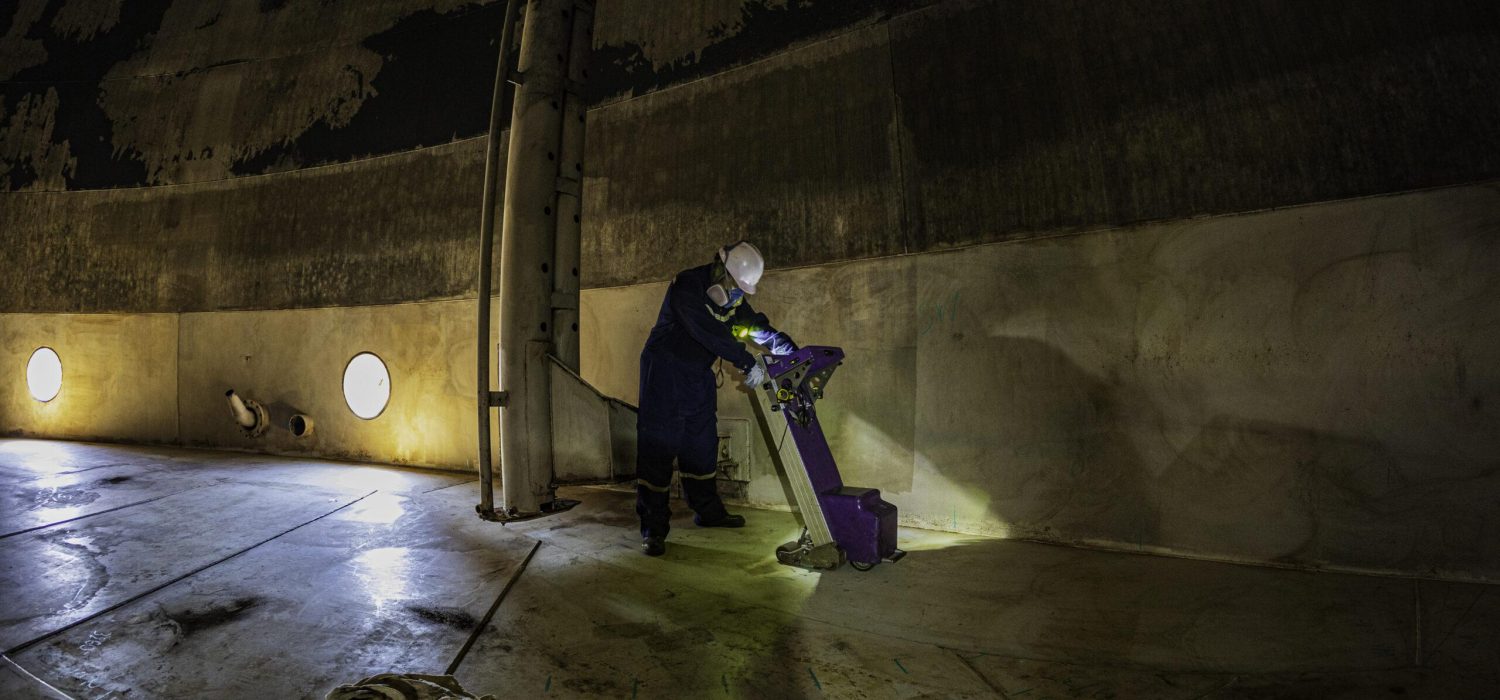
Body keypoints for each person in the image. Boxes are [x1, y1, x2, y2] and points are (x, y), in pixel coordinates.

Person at [635, 241, 798, 556]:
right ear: (720, 269)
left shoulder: (733, 303)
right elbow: (706, 330)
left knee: (702, 444)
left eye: (741, 290)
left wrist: (789, 350)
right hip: (664, 373)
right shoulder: (686, 286)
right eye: (734, 286)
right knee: (658, 449)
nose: (736, 295)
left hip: (697, 375)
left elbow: (755, 326)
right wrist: (746, 361)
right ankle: (653, 529)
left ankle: (708, 511)